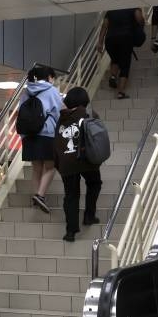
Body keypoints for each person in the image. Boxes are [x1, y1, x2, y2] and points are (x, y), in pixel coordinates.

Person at [54, 87, 103, 242]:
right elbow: (98, 135)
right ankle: (89, 215)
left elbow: (56, 142)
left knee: (71, 195)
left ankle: (71, 231)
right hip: (85, 159)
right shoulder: (88, 114)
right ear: (84, 100)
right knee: (94, 183)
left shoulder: (61, 118)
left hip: (67, 162)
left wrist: (59, 164)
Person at [21, 65, 64, 214]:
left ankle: (36, 197)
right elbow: (59, 112)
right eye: (53, 77)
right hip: (46, 133)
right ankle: (40, 195)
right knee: (51, 166)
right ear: (49, 77)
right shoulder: (51, 90)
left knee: (36, 168)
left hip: (28, 135)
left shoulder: (26, 91)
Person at [98, 7, 146, 100]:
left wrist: (100, 42)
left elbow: (104, 25)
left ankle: (113, 76)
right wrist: (140, 28)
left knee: (115, 59)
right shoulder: (133, 7)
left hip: (110, 40)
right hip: (125, 38)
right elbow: (139, 18)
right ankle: (121, 92)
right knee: (125, 65)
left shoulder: (111, 10)